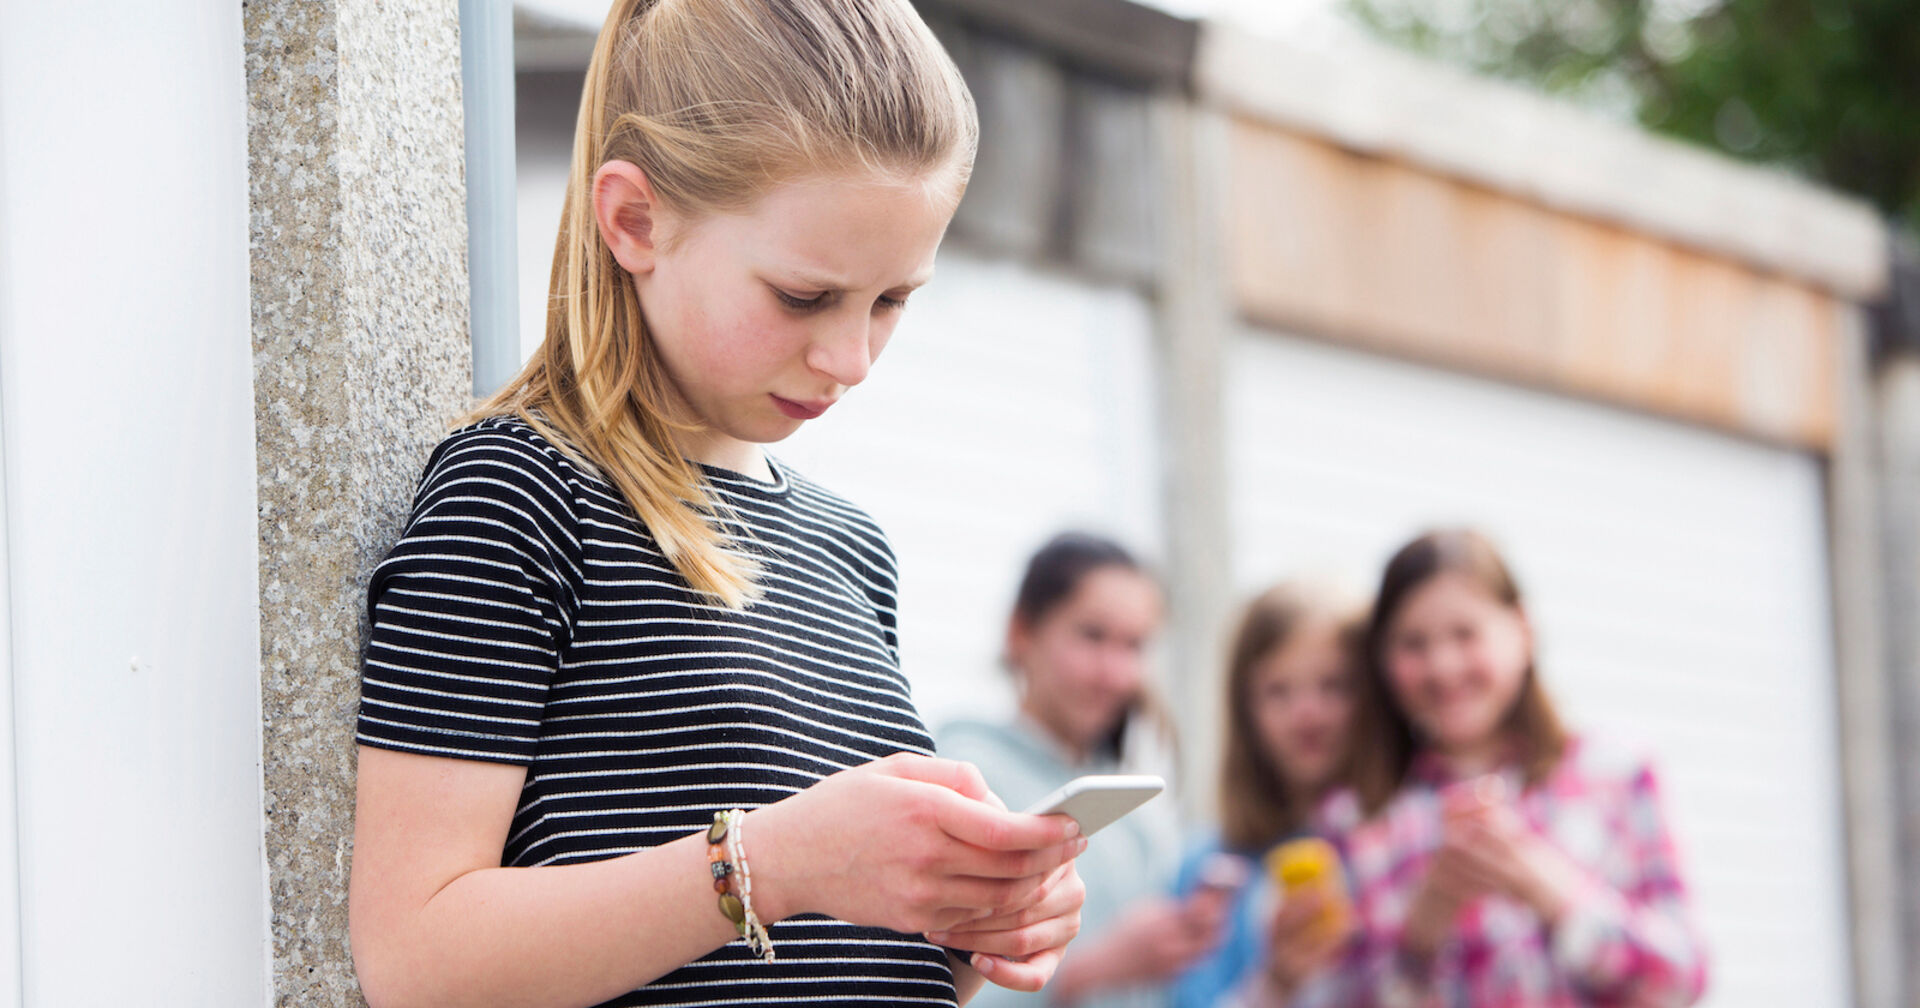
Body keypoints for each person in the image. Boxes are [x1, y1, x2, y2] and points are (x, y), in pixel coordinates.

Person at [346, 2, 1088, 1006]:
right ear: (635, 221)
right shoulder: (520, 498)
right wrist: (771, 864)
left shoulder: (849, 548)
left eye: (891, 300)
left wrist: (970, 918)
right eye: (804, 296)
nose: (852, 359)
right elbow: (415, 960)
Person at [1295, 528, 1708, 1007]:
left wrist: (1547, 887)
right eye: (1413, 643)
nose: (1444, 667)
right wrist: (1421, 933)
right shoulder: (1353, 820)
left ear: (1522, 631)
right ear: (1383, 659)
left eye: (1465, 635)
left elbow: (1684, 977)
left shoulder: (1616, 774)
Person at [939, 532, 1221, 1008]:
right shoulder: (960, 780)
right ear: (1021, 632)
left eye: (1134, 645)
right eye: (1092, 635)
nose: (1114, 673)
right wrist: (1092, 971)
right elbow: (927, 986)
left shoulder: (1136, 810)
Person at [1169, 583, 1371, 1008]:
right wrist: (1276, 984)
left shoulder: (1396, 838)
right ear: (1246, 711)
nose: (1307, 713)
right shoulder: (1214, 870)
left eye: (1332, 685)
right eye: (1278, 690)